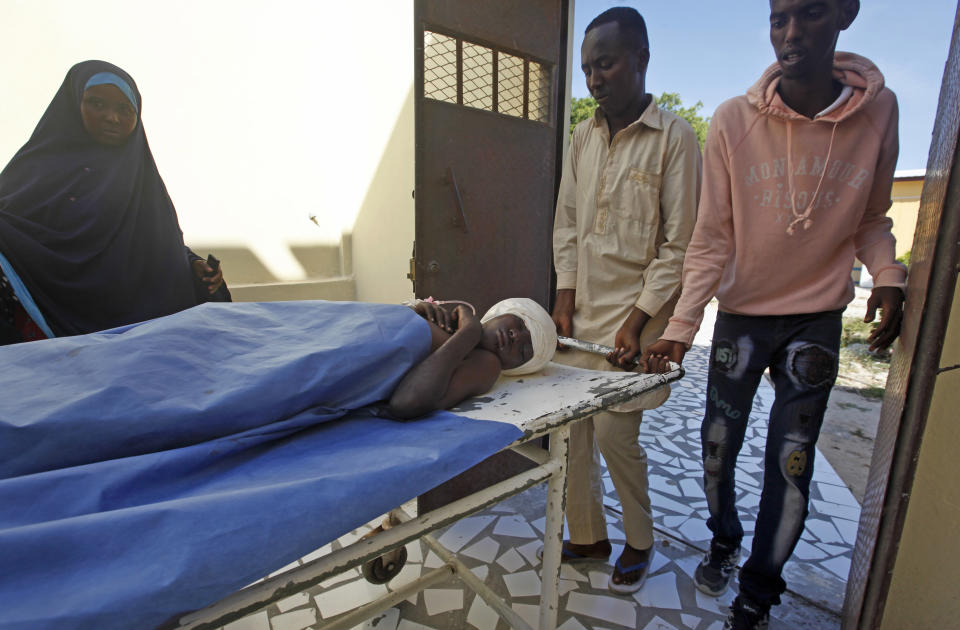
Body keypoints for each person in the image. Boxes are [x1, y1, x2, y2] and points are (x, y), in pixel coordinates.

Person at [642, 1, 904, 627]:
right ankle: (724, 537)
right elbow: (711, 238)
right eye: (779, 17)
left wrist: (889, 276)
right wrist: (682, 327)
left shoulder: (879, 113)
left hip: (814, 321)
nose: (791, 34)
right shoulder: (733, 121)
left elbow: (870, 219)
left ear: (845, 13)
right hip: (740, 317)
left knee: (791, 465)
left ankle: (759, 591)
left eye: (810, 14)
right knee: (714, 450)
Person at [550, 7, 701, 594]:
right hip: (582, 308)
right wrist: (564, 294)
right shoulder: (581, 137)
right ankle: (587, 535)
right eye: (588, 68)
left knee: (616, 434)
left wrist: (640, 321)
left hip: (638, 314)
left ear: (640, 59)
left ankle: (639, 539)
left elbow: (679, 244)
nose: (594, 79)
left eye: (606, 64)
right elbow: (566, 222)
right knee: (575, 429)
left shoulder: (676, 137)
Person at [0, 60, 228, 344]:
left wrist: (192, 264)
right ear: (73, 105)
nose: (111, 117)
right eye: (97, 103)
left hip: (131, 322)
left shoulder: (141, 181)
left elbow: (151, 241)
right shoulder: (34, 168)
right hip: (48, 320)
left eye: (124, 109)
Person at [390, 297, 556, 418]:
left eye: (524, 351)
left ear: (515, 368)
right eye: (520, 325)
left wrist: (470, 331)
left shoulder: (486, 364)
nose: (516, 337)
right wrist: (415, 310)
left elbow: (406, 403)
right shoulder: (447, 320)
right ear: (500, 313)